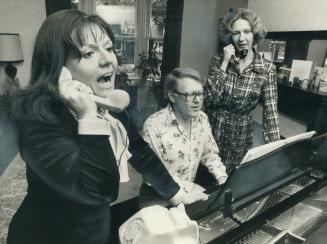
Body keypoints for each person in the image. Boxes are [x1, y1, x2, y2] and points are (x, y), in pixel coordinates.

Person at [5, 10, 203, 244]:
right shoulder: (38, 119)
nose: (108, 60)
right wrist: (88, 118)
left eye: (108, 48)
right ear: (59, 68)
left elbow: (139, 152)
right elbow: (98, 191)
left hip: (95, 227)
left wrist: (179, 195)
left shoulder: (106, 108)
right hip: (49, 234)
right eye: (88, 53)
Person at [204, 8, 280, 173]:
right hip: (212, 127)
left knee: (231, 178)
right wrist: (224, 63)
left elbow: (271, 112)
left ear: (255, 34)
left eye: (247, 31)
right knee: (206, 173)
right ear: (229, 36)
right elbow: (209, 99)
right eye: (236, 33)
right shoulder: (218, 60)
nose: (242, 38)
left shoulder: (266, 68)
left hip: (240, 134)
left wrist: (275, 149)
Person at [140, 67, 227, 207]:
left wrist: (223, 178)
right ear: (172, 96)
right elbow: (153, 175)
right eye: (190, 95)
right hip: (158, 198)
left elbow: (209, 155)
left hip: (189, 194)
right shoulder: (153, 125)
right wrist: (189, 187)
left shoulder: (202, 118)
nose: (197, 100)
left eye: (200, 94)